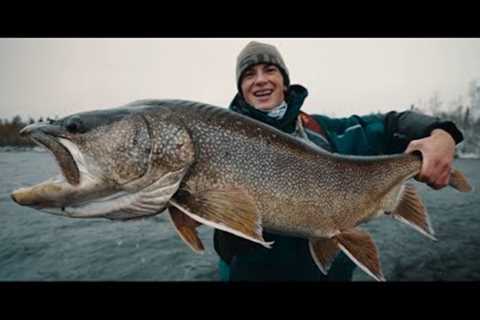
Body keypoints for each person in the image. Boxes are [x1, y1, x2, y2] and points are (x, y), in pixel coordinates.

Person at [213, 41, 464, 281]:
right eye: (248, 74)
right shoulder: (219, 141)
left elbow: (391, 124)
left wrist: (442, 133)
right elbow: (219, 239)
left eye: (269, 70)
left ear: (284, 82)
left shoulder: (324, 130)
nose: (260, 80)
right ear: (241, 88)